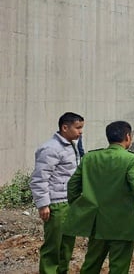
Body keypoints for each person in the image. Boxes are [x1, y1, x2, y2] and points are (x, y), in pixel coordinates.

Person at [64, 121, 134, 273]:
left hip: (97, 222)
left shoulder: (90, 158)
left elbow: (72, 186)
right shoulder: (131, 159)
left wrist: (80, 206)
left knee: (91, 264)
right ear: (128, 137)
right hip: (123, 222)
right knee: (119, 267)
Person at [30, 112, 84, 274]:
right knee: (53, 247)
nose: (81, 132)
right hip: (56, 204)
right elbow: (39, 178)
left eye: (82, 128)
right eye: (78, 128)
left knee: (67, 245)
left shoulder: (71, 145)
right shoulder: (51, 149)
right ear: (64, 127)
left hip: (70, 203)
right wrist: (43, 204)